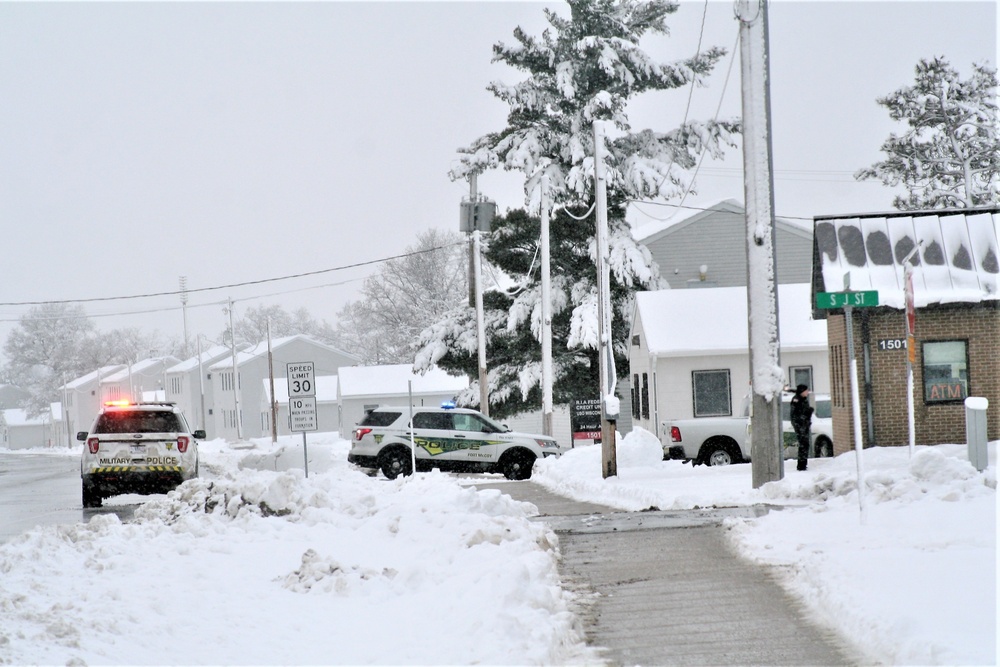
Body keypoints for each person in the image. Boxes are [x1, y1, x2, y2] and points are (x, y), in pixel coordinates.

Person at [790, 384, 814, 471]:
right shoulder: (797, 400)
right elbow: (796, 414)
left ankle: (803, 463)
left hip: (804, 425)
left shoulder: (804, 400)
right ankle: (801, 465)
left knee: (805, 444)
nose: (807, 392)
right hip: (800, 425)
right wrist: (807, 413)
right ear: (802, 391)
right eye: (806, 391)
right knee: (803, 444)